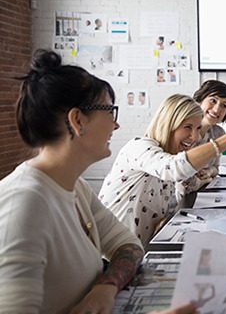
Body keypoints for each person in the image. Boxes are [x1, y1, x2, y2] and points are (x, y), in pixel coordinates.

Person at [0, 49, 145, 312]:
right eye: (110, 112)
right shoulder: (25, 203)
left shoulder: (75, 187)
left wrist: (106, 287)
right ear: (78, 120)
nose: (115, 126)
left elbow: (129, 246)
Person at [99, 94, 226, 246]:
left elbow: (182, 190)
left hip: (138, 251)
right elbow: (174, 168)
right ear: (168, 124)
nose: (195, 137)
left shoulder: (171, 155)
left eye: (198, 129)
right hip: (109, 257)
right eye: (187, 127)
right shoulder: (138, 146)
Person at [178, 80, 226, 196]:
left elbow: (216, 168)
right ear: (199, 100)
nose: (216, 109)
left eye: (224, 105)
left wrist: (209, 172)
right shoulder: (182, 131)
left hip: (202, 196)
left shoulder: (218, 133)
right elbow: (184, 186)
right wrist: (207, 180)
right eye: (213, 100)